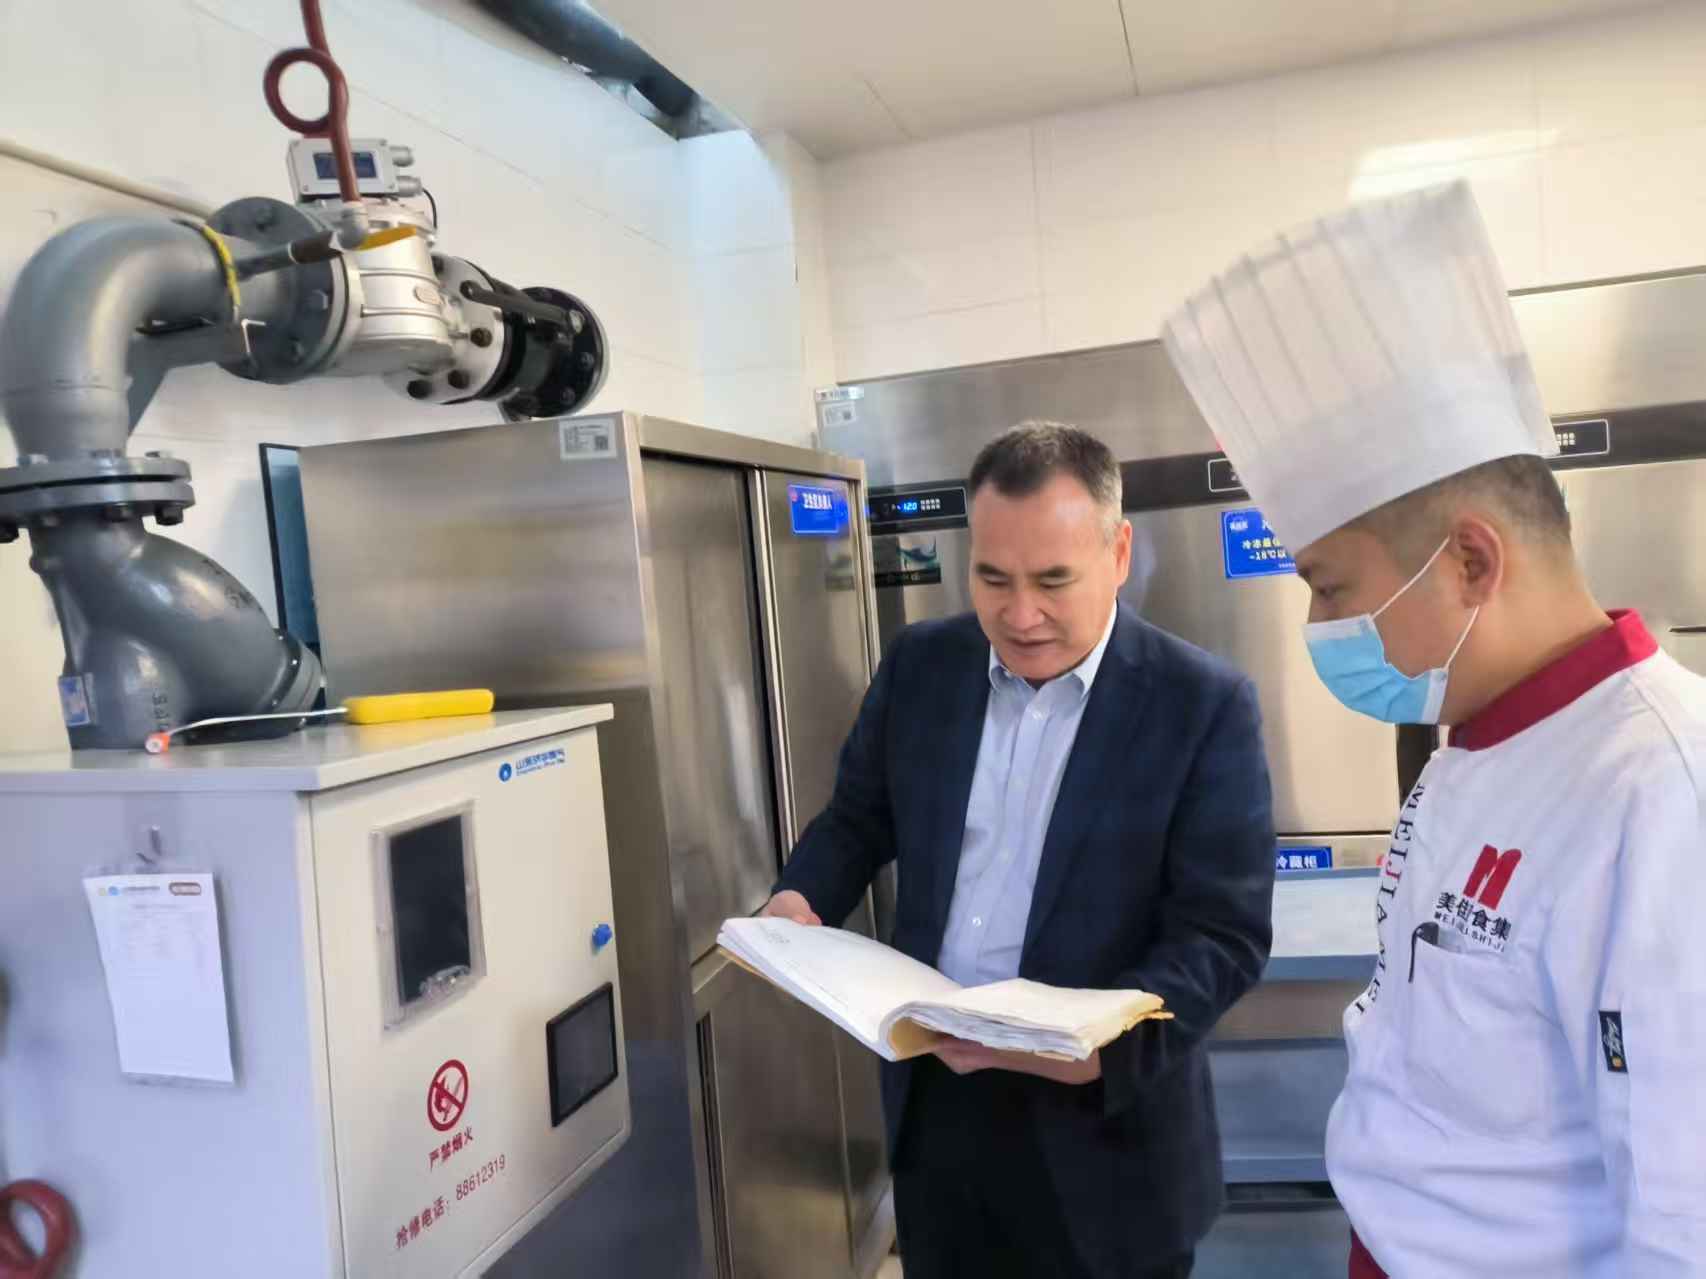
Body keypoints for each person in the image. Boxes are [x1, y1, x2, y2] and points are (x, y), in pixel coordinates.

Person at [1162, 179, 1706, 1278]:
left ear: (1469, 560)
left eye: (1329, 585)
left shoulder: (1659, 788)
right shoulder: (1470, 739)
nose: (1319, 627)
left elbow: (1680, 1215)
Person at [763, 422, 1275, 1279]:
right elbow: (858, 817)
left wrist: (1100, 1052)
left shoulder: (1201, 704)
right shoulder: (924, 666)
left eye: (1053, 580)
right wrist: (801, 896)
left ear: (1118, 553)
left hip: (1107, 1143)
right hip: (940, 1112)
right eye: (993, 578)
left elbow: (1222, 935)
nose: (1020, 613)